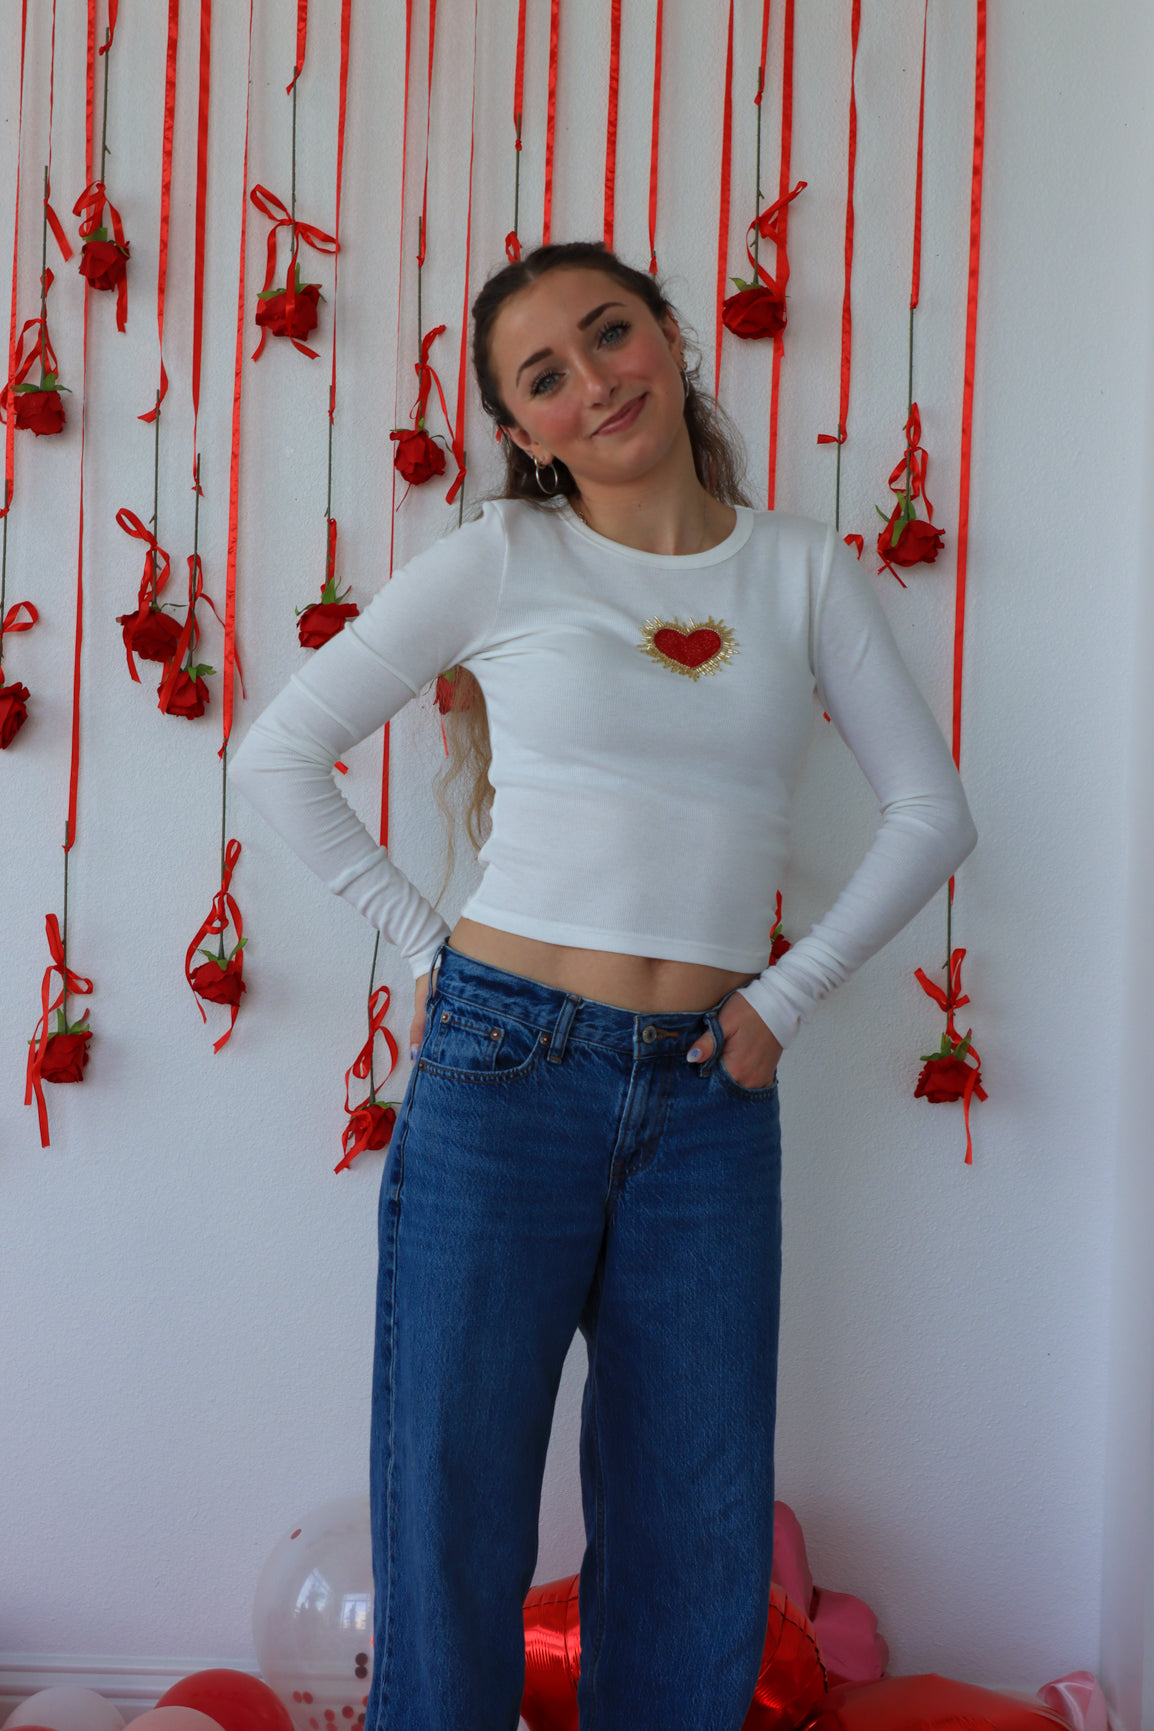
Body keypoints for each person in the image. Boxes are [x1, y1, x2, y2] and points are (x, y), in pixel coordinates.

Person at [229, 240, 977, 1731]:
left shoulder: (799, 570)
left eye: (608, 334)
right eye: (543, 378)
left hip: (710, 1088)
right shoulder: (500, 559)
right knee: (450, 1499)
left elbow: (931, 813)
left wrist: (787, 994)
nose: (593, 383)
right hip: (500, 1079)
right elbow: (276, 754)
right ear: (519, 432)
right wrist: (434, 949)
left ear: (668, 340)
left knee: (694, 1526)